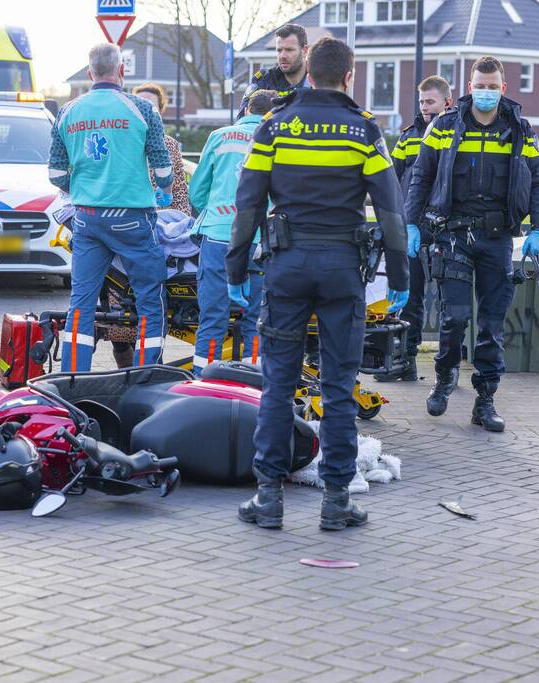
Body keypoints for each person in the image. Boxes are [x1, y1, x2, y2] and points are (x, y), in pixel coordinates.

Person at [227, 37, 410, 531]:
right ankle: (335, 501)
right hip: (340, 271)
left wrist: (236, 269)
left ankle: (268, 498)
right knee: (337, 387)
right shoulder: (364, 130)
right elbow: (391, 209)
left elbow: (248, 203)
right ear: (349, 77)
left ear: (308, 74)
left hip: (286, 266)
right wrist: (400, 274)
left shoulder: (275, 125)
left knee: (278, 385)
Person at [406, 55, 539, 432]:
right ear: (470, 88)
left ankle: (485, 400)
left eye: (492, 87)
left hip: (498, 237)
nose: (485, 93)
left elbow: (537, 182)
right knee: (454, 317)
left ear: (503, 89)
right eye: (479, 86)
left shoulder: (520, 130)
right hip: (453, 234)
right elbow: (421, 176)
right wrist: (411, 224)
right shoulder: (444, 126)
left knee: (491, 323)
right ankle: (444, 377)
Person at [48, 43, 173, 371]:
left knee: (82, 302)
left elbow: (57, 175)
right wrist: (165, 192)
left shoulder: (68, 112)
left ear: (89, 73)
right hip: (132, 219)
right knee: (150, 298)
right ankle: (147, 374)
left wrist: (81, 186)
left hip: (87, 218)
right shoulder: (143, 110)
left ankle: (73, 374)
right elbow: (163, 169)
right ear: (122, 71)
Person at [188, 90, 276, 375]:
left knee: (212, 319)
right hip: (260, 240)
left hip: (218, 238)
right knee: (256, 321)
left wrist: (215, 214)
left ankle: (204, 386)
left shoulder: (220, 136)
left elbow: (197, 191)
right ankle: (250, 387)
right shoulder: (279, 140)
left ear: (245, 109)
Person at [381, 74, 453, 383]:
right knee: (409, 296)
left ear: (446, 103)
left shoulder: (457, 133)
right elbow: (391, 175)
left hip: (446, 227)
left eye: (430, 102)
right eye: (422, 102)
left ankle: (448, 368)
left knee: (451, 300)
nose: (425, 107)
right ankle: (406, 360)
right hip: (412, 226)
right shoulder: (409, 136)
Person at [133, 82, 192, 215]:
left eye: (150, 106)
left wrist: (182, 222)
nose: (144, 110)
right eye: (138, 105)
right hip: (129, 217)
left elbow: (179, 190)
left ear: (160, 110)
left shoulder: (170, 144)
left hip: (161, 221)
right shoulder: (121, 141)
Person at [237, 24, 311, 119]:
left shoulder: (319, 80)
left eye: (289, 50)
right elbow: (243, 121)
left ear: (305, 50)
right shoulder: (264, 81)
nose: (282, 56)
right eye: (279, 50)